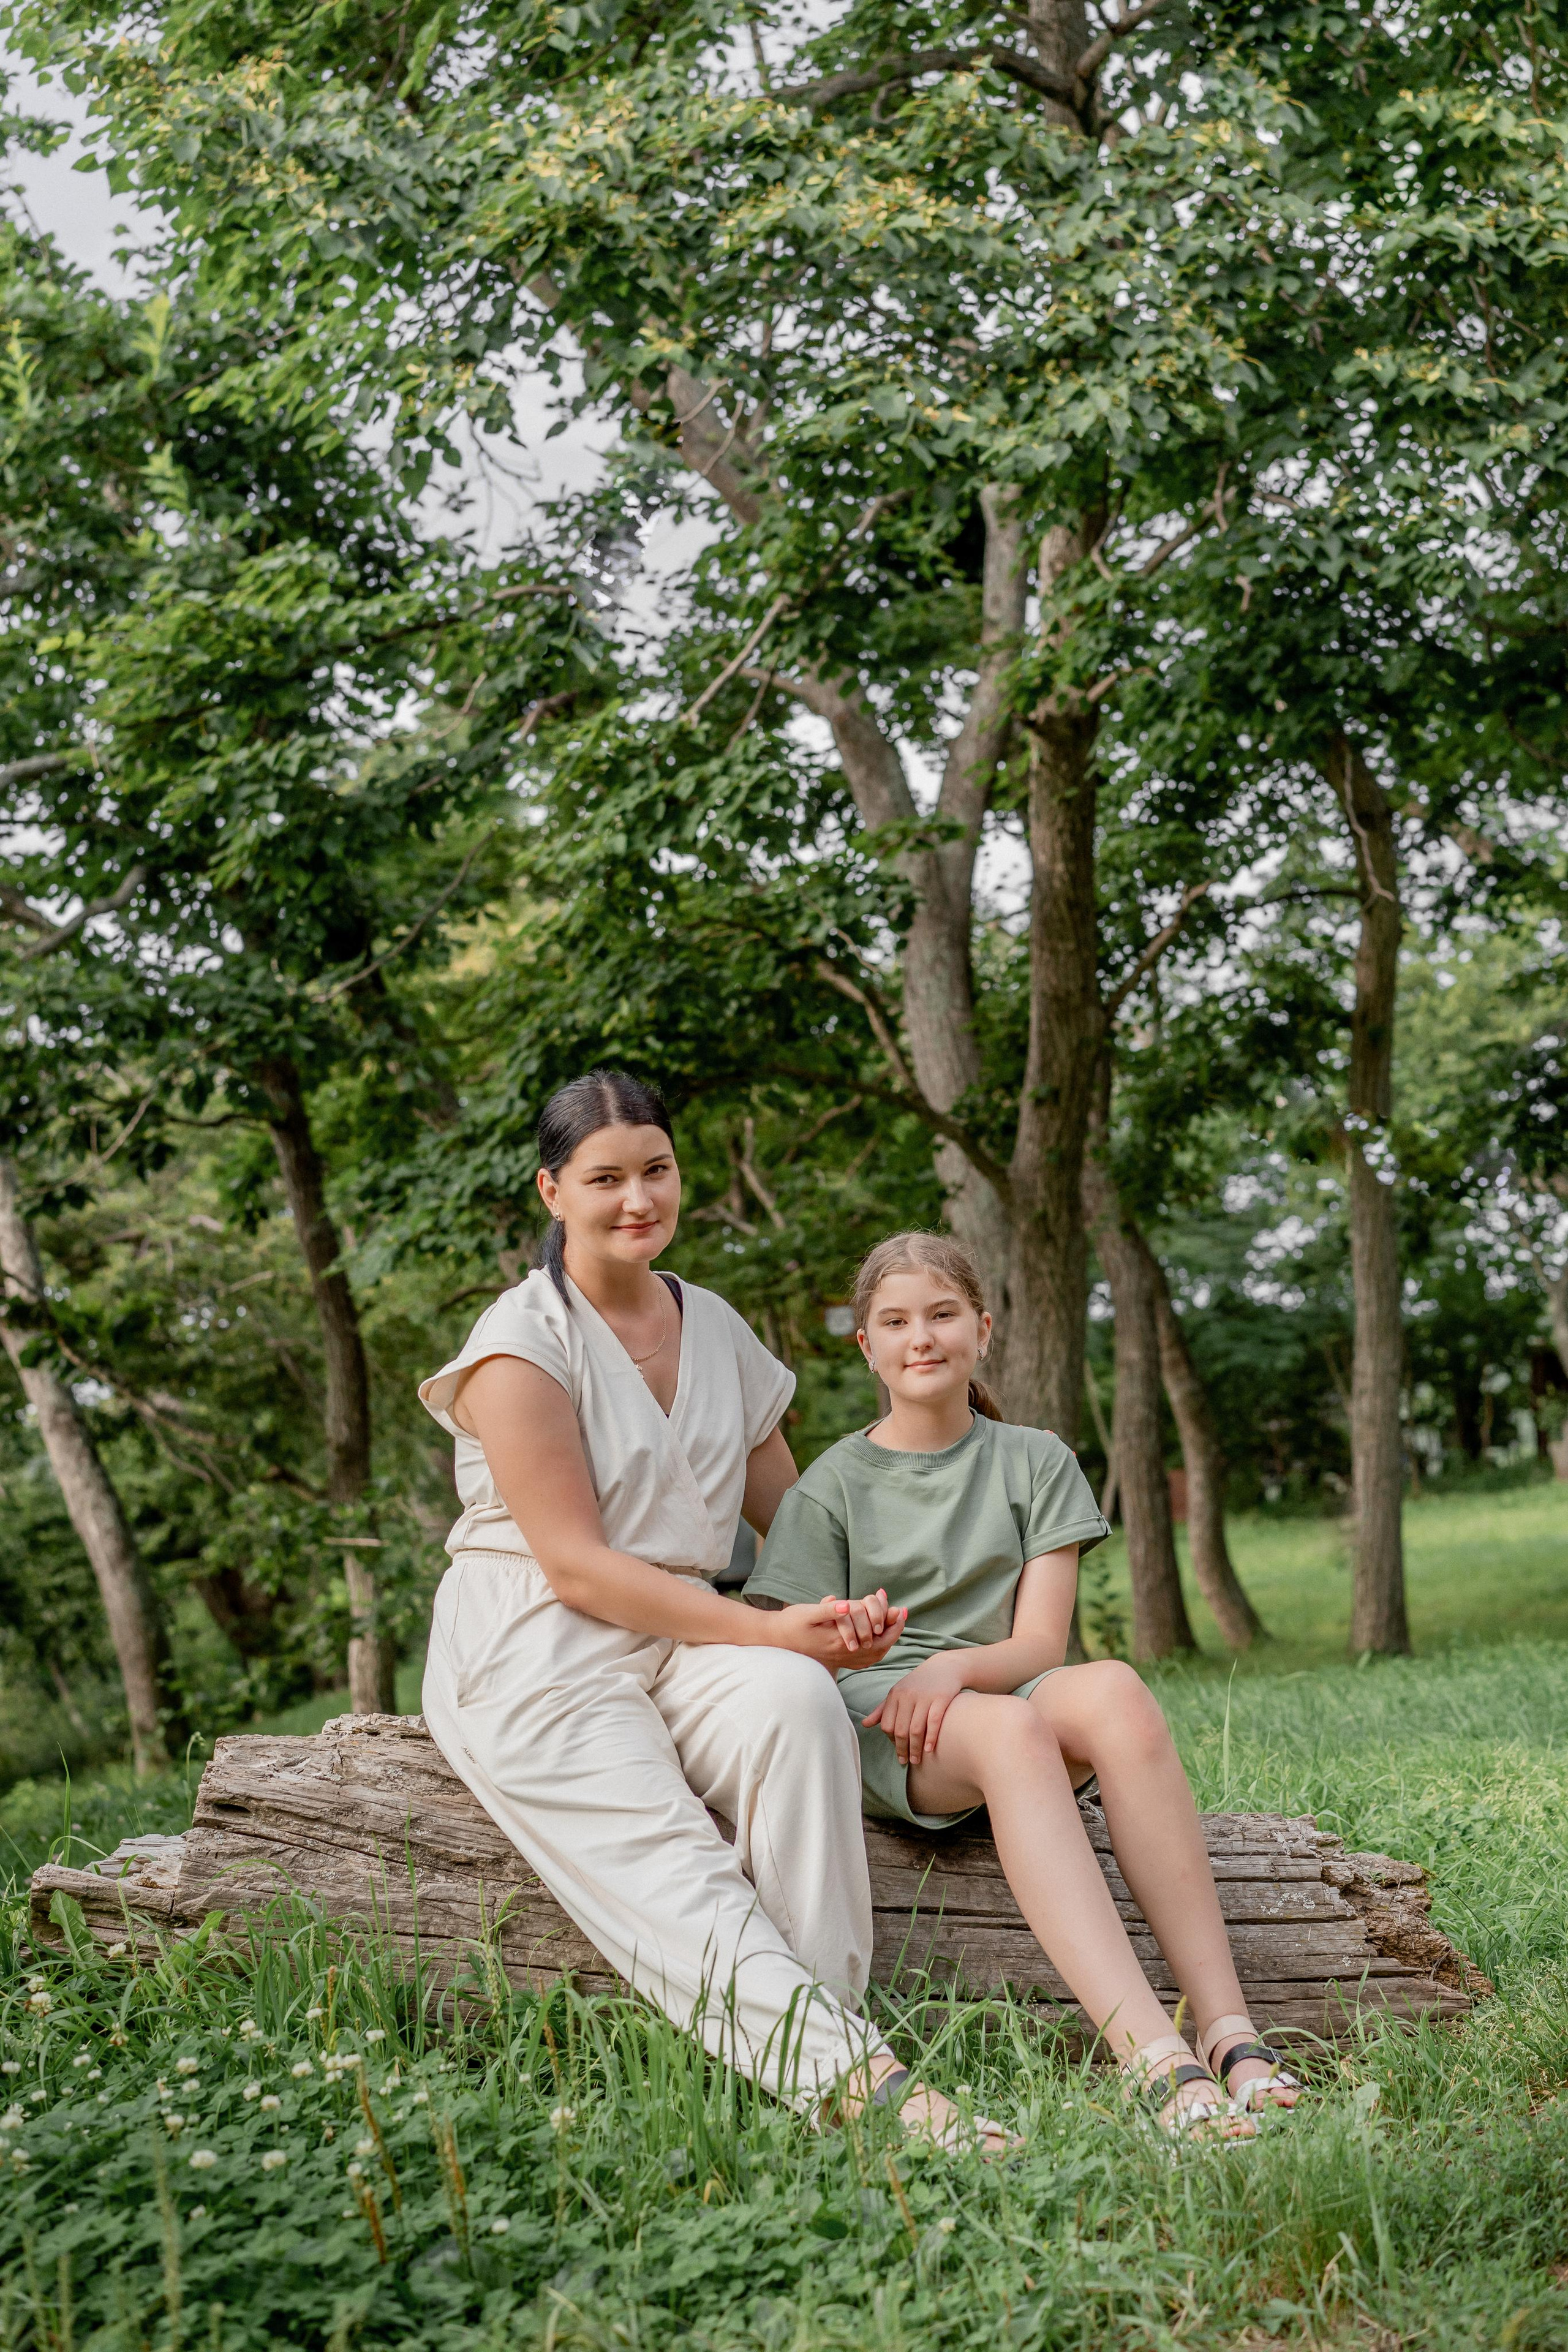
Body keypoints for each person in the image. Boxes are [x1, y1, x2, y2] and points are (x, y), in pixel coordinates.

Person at [417, 1071, 978, 2139]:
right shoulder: (519, 1342)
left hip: (683, 1629)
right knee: (674, 1859)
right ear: (552, 1191)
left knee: (794, 1706)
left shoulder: (713, 1324)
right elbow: (577, 1568)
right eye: (605, 1179)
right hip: (537, 1640)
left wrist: (850, 1618)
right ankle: (874, 2092)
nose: (638, 1198)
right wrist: (766, 1627)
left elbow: (795, 1523)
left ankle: (827, 2051)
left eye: (657, 1170)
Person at [744, 1231, 1305, 2137]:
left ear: (983, 1329)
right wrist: (861, 1647)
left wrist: (954, 1667)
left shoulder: (1036, 1460)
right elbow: (790, 1652)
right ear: (867, 1346)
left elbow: (1041, 1641)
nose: (921, 1337)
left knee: (1115, 1688)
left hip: (994, 1684)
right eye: (896, 1322)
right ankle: (1152, 2059)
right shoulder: (830, 1487)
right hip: (893, 1721)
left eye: (942, 1315)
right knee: (1008, 1730)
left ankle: (1228, 2027)